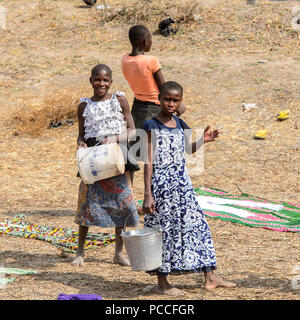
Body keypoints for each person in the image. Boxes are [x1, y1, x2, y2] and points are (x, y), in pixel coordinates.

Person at [142, 81, 236, 296]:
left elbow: (187, 149)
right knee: (164, 231)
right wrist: (148, 194)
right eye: (167, 99)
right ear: (159, 99)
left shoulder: (181, 124)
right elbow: (147, 162)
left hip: (183, 184)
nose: (171, 103)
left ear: (180, 102)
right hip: (163, 186)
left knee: (198, 226)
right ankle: (162, 282)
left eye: (175, 100)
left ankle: (210, 276)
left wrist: (203, 140)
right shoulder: (151, 126)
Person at [71, 64, 139, 267]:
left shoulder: (119, 100)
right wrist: (81, 142)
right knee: (86, 203)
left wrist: (115, 138)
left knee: (121, 204)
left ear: (111, 81)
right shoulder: (84, 106)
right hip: (93, 159)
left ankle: (119, 253)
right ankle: (80, 252)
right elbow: (82, 133)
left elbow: (132, 130)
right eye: (97, 79)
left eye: (106, 80)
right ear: (91, 80)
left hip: (117, 156)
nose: (101, 83)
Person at [121, 25, 185, 183]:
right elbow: (163, 88)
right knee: (156, 156)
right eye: (150, 39)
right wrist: (179, 105)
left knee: (134, 154)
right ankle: (153, 196)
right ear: (143, 41)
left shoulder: (125, 59)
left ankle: (128, 194)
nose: (151, 43)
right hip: (155, 110)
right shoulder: (150, 60)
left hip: (137, 109)